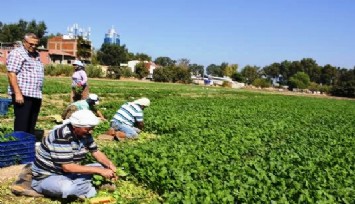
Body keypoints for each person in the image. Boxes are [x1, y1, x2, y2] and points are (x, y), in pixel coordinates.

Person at [31, 109, 117, 199]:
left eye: (92, 128)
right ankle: (90, 188)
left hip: (69, 173)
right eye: (88, 129)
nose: (91, 131)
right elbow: (67, 167)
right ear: (75, 126)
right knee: (67, 188)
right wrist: (100, 171)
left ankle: (83, 187)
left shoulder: (85, 134)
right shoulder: (62, 136)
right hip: (49, 176)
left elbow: (95, 152)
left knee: (102, 166)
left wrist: (110, 165)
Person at [7, 33, 44, 135]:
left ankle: (28, 144)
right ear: (24, 42)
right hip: (23, 94)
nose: (34, 46)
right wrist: (17, 93)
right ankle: (19, 144)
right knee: (22, 123)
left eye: (36, 44)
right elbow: (11, 74)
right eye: (31, 44)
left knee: (31, 123)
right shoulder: (17, 53)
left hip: (35, 94)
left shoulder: (36, 55)